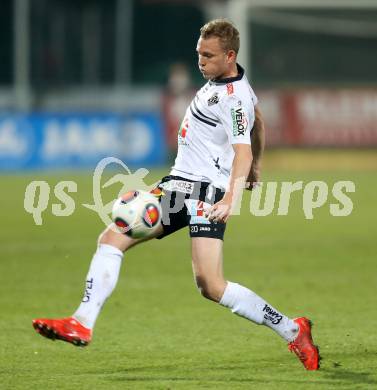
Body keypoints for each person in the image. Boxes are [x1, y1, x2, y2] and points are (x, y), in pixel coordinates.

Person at [33, 19, 320, 370]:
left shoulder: (233, 98)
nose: (201, 61)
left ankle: (293, 329)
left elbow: (241, 149)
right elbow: (257, 118)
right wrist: (258, 165)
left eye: (209, 55)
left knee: (211, 285)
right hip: (178, 184)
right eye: (199, 53)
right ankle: (82, 321)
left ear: (229, 56)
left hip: (205, 193)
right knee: (112, 237)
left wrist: (231, 197)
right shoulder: (229, 82)